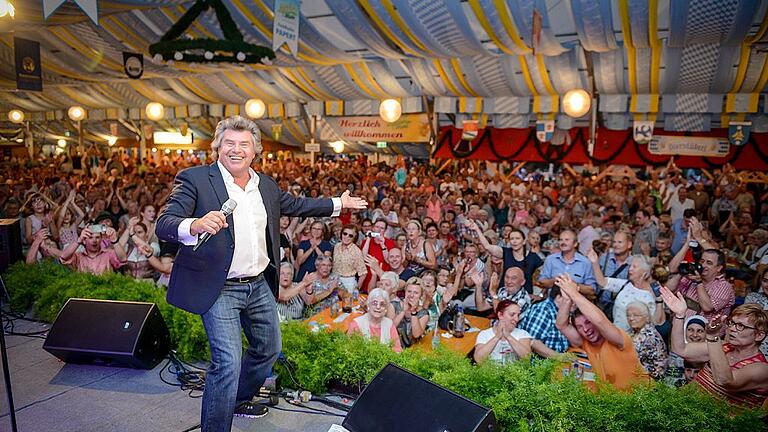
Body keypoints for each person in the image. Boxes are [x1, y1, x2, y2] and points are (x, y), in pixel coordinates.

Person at [155, 116, 367, 431]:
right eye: (229, 143)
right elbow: (165, 221)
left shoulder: (264, 185)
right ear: (217, 147)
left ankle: (238, 398)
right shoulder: (196, 179)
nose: (236, 150)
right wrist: (194, 225)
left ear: (256, 150)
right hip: (220, 288)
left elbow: (297, 204)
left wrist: (338, 203)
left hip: (257, 284)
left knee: (269, 348)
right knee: (227, 363)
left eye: (244, 144)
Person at [660, 287, 768, 408]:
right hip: (688, 408)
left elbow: (725, 380)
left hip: (716, 423)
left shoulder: (762, 369)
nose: (732, 328)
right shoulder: (723, 347)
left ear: (759, 335)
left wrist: (712, 337)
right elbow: (680, 349)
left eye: (740, 326)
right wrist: (680, 315)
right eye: (732, 323)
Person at [555, 273, 648, 390]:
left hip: (641, 401)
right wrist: (567, 299)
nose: (585, 329)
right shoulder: (585, 343)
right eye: (579, 327)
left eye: (588, 322)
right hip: (615, 403)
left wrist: (574, 294)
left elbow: (599, 321)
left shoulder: (616, 337)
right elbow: (561, 325)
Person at [588, 252, 665, 332]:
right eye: (630, 266)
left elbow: (657, 322)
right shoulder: (626, 284)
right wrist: (595, 263)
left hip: (635, 340)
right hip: (616, 333)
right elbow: (602, 282)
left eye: (634, 267)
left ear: (644, 273)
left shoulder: (651, 294)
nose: (630, 269)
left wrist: (659, 300)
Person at [470, 223, 543, 294]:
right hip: (504, 293)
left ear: (524, 241)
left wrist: (540, 295)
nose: (514, 241)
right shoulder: (505, 252)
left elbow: (546, 276)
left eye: (517, 238)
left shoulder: (533, 257)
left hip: (525, 296)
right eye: (512, 239)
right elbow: (487, 246)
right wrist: (477, 229)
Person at [538, 229, 597, 298]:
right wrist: (556, 281)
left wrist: (573, 285)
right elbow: (541, 282)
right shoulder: (551, 259)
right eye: (561, 240)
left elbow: (591, 290)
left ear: (575, 244)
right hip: (552, 303)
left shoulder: (585, 262)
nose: (563, 242)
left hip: (575, 304)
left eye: (567, 240)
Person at [474, 300, 532, 364]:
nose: (516, 319)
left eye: (518, 315)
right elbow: (478, 359)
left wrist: (508, 336)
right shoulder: (484, 334)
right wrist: (497, 337)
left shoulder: (522, 334)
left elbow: (527, 358)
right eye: (512, 315)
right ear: (500, 315)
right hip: (490, 373)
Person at [347, 288, 402, 353]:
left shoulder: (389, 324)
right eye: (374, 303)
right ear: (368, 305)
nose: (378, 307)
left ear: (386, 309)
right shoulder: (356, 324)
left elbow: (397, 349)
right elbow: (349, 351)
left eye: (382, 304)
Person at [59, 224, 125, 275]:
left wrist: (114, 241)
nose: (94, 240)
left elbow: (123, 259)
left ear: (101, 239)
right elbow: (63, 257)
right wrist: (79, 240)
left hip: (105, 290)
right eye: (90, 237)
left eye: (97, 237)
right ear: (84, 240)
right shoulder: (78, 256)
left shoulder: (108, 254)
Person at [625, 302, 668, 379]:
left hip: (649, 381)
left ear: (646, 317)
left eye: (636, 315)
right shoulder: (631, 332)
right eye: (628, 315)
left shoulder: (650, 336)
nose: (631, 318)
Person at [332, 224, 366, 292]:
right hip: (334, 281)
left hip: (348, 283)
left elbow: (363, 273)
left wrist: (356, 289)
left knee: (347, 302)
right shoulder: (337, 246)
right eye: (345, 233)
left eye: (350, 235)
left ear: (354, 238)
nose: (347, 237)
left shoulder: (356, 251)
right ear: (341, 234)